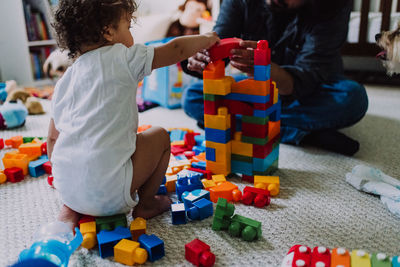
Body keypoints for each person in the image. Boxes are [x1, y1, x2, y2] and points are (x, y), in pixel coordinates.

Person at [47, 0, 220, 228]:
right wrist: (207, 39)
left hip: (66, 189)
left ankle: (74, 204)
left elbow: (52, 139)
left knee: (85, 151)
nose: (131, 36)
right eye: (128, 27)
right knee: (159, 136)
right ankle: (146, 204)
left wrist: (69, 175)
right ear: (108, 32)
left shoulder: (64, 81)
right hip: (111, 194)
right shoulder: (124, 57)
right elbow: (176, 49)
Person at [181, 0, 369, 156]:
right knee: (194, 98)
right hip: (260, 90)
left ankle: (242, 125)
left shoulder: (333, 5)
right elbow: (217, 44)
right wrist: (199, 56)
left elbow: (306, 77)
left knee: (353, 98)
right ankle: (306, 134)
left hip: (310, 89)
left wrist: (266, 68)